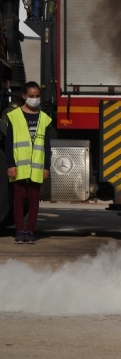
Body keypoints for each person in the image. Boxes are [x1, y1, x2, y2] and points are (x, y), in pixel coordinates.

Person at [5, 81, 52, 244]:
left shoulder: (44, 118)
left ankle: (30, 231)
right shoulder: (14, 116)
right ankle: (19, 231)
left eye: (37, 96)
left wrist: (46, 166)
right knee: (18, 198)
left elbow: (47, 145)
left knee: (33, 198)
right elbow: (9, 142)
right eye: (31, 96)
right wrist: (10, 164)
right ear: (24, 96)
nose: (35, 99)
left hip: (37, 167)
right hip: (19, 166)